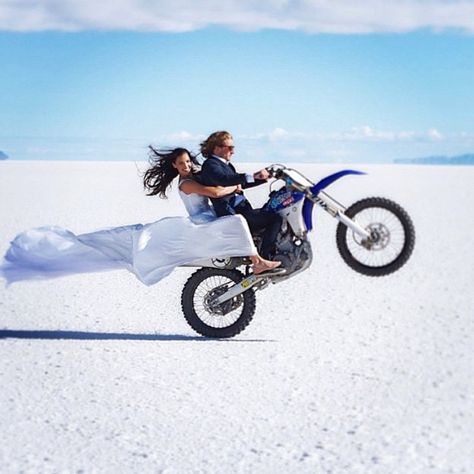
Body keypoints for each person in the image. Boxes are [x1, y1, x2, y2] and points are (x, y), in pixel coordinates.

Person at [144, 146, 281, 274]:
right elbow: (215, 193)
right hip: (202, 219)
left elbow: (223, 182)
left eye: (187, 161)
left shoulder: (195, 177)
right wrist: (234, 187)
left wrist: (262, 178)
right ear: (174, 165)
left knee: (244, 218)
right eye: (181, 163)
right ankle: (257, 261)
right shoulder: (186, 184)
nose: (186, 166)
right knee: (237, 222)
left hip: (210, 212)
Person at [199, 131, 282, 260]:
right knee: (275, 218)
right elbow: (224, 179)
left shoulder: (226, 165)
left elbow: (238, 184)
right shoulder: (210, 165)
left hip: (242, 208)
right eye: (230, 148)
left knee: (274, 210)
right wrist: (252, 176)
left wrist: (263, 179)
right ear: (216, 148)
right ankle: (266, 258)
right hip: (233, 213)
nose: (233, 151)